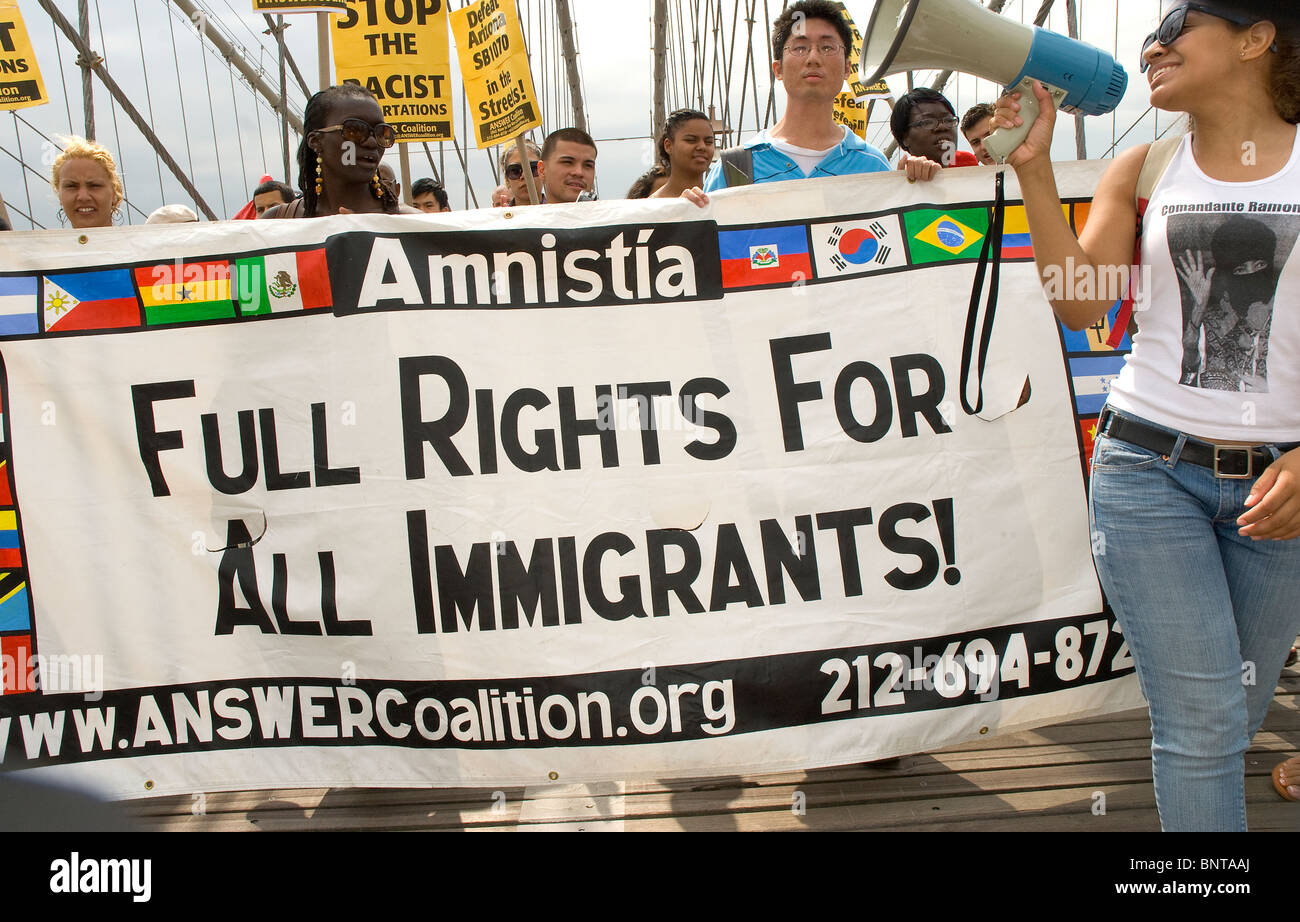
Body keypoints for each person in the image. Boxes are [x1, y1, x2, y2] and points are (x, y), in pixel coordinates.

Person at [992, 1, 1300, 829]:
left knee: (1238, 707)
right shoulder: (1145, 165)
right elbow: (1081, 305)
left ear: (1256, 36)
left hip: (1285, 490)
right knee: (1202, 722)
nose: (1152, 44)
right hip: (1147, 473)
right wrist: (1033, 171)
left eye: (1178, 24)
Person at [688, 0, 936, 204]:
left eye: (828, 47)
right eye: (800, 47)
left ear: (847, 68)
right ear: (778, 69)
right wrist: (681, 215)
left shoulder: (873, 166)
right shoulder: (735, 170)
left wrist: (928, 188)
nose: (813, 58)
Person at [261, 84, 416, 218]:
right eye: (355, 130)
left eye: (381, 132)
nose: (372, 142)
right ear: (316, 141)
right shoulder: (277, 221)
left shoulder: (413, 224)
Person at [891, 88, 979, 168]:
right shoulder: (903, 182)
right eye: (928, 122)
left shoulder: (968, 165)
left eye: (948, 120)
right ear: (905, 137)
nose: (942, 127)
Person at [51, 136, 123, 228]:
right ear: (59, 194)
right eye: (71, 186)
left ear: (114, 193)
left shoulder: (140, 241)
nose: (83, 197)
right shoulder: (38, 242)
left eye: (94, 186)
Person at [649, 109, 715, 198]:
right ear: (668, 146)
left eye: (709, 142)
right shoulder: (653, 205)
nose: (702, 147)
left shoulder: (722, 199)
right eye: (691, 140)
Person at [537, 128, 598, 204]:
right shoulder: (524, 215)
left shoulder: (612, 215)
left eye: (588, 165)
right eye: (568, 162)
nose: (579, 172)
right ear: (542, 170)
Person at [500, 139, 543, 206]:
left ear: (542, 171)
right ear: (507, 179)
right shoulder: (498, 216)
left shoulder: (560, 213)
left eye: (532, 169)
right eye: (515, 171)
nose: (525, 175)